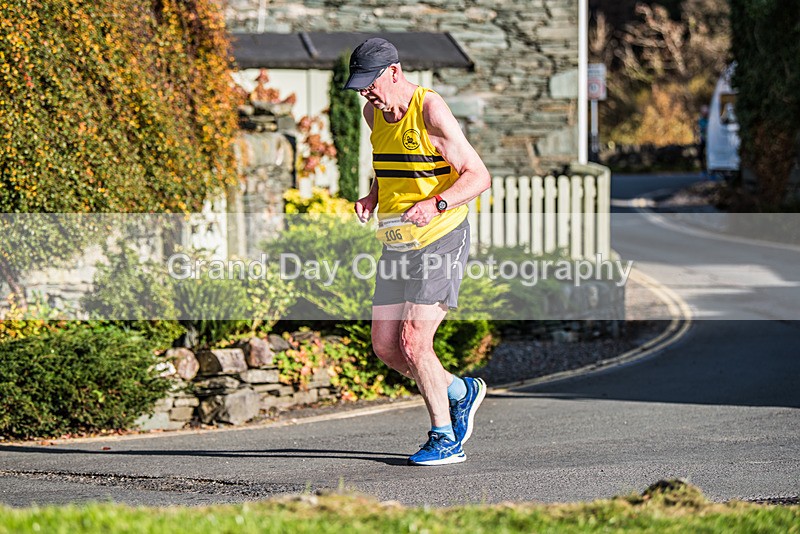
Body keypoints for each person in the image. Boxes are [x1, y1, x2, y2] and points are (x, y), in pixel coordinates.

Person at [345, 38, 491, 466]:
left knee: (413, 340)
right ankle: (462, 391)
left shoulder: (430, 109)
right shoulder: (373, 111)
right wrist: (373, 196)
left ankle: (445, 438)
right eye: (358, 86)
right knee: (386, 347)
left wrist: (437, 202)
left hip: (441, 236)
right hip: (397, 242)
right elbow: (391, 163)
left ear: (394, 71)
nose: (364, 92)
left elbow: (478, 175)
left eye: (369, 83)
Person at [697, 105, 709, 178]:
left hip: (710, 141)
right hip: (703, 140)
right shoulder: (701, 120)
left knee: (708, 155)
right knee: (700, 155)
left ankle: (710, 171)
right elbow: (701, 128)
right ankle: (703, 171)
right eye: (703, 112)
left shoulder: (710, 119)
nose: (704, 114)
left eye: (706, 112)